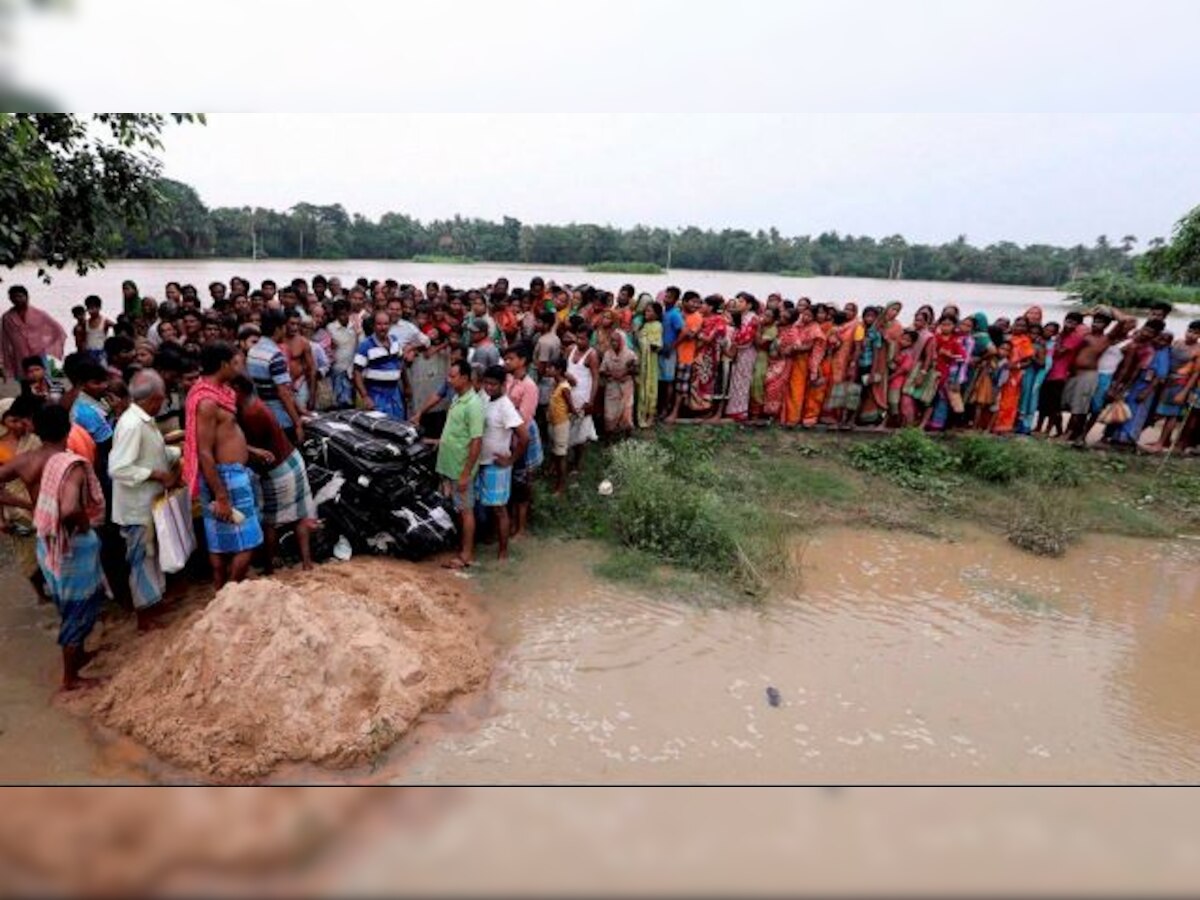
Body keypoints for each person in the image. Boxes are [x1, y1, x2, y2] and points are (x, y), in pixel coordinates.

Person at [31, 404, 106, 691]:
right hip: (71, 544)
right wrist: (85, 524)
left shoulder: (32, 460)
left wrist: (26, 507)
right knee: (80, 607)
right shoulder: (70, 465)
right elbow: (69, 508)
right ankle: (70, 679)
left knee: (68, 606)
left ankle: (79, 657)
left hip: (46, 542)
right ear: (69, 428)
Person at [184, 342, 263, 590]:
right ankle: (229, 590)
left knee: (220, 539)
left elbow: (224, 435)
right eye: (235, 363)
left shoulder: (217, 392)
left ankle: (221, 590)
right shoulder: (207, 402)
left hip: (227, 473)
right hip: (224, 477)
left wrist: (250, 450)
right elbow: (205, 451)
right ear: (223, 365)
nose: (238, 368)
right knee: (248, 540)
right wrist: (221, 495)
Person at [109, 369, 181, 631]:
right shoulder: (131, 425)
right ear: (155, 398)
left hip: (149, 504)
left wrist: (176, 454)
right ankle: (144, 616)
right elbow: (117, 468)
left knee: (152, 556)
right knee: (141, 560)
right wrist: (156, 474)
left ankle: (154, 602)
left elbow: (153, 452)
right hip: (135, 508)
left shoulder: (143, 420)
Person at [231, 375, 316, 572]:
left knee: (270, 521)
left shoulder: (251, 412)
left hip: (278, 469)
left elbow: (252, 449)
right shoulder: (253, 405)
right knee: (299, 516)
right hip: (291, 460)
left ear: (238, 389)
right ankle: (306, 563)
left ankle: (269, 567)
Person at [435, 359, 484, 570]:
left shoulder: (474, 404)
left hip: (460, 468)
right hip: (450, 465)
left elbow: (476, 441)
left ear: (465, 378)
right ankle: (461, 548)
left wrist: (465, 473)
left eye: (453, 376)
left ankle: (466, 556)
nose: (449, 379)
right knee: (459, 509)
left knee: (466, 511)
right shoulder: (457, 398)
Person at [1064, 307, 1137, 446]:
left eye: (1100, 322)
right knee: (1078, 406)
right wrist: (1087, 313)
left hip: (1097, 375)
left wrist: (1109, 309)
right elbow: (1073, 320)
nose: (1096, 324)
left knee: (1090, 408)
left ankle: (1081, 435)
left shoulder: (1108, 338)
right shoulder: (1085, 334)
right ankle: (1072, 433)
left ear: (1107, 325)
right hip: (1082, 374)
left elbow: (1126, 321)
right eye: (1095, 321)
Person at [477, 365, 528, 562]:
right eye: (486, 383)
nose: (488, 387)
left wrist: (511, 460)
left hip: (497, 465)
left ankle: (503, 553)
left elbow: (524, 438)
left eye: (493, 384)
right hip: (481, 461)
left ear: (503, 385)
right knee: (488, 506)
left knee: (499, 509)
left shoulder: (506, 406)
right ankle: (491, 539)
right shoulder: (484, 397)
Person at [246, 310, 306, 445]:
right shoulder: (275, 355)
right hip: (279, 418)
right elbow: (284, 392)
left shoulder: (253, 351)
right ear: (278, 328)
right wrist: (297, 423)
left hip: (260, 414)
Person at [503, 343, 542, 540]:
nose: (506, 362)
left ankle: (521, 528)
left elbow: (524, 419)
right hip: (508, 436)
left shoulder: (529, 386)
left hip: (521, 437)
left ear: (522, 361)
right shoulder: (509, 380)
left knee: (522, 483)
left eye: (511, 359)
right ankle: (510, 524)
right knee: (512, 482)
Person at [1148, 320, 1200, 452]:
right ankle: (1164, 441)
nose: (1191, 335)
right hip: (1167, 381)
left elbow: (1195, 374)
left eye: (1195, 333)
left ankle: (1160, 443)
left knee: (1172, 414)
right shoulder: (1177, 342)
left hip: (1180, 384)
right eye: (1190, 331)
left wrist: (1184, 392)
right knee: (1161, 411)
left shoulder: (1198, 350)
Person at [354, 310, 414, 420]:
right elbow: (357, 372)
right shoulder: (365, 345)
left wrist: (407, 385)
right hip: (376, 395)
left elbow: (401, 365)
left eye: (386, 324)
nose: (383, 327)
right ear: (374, 325)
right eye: (379, 324)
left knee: (398, 427)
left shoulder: (395, 341)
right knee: (380, 429)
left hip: (395, 393)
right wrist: (365, 396)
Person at [1, 285, 67, 381]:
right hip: (19, 356)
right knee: (24, 382)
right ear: (10, 299)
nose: (17, 299)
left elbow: (58, 330)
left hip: (38, 354)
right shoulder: (7, 317)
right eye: (13, 297)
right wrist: (3, 361)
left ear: (27, 297)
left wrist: (46, 345)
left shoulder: (39, 314)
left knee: (42, 381)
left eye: (20, 296)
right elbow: (4, 340)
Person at [566, 325, 600, 471]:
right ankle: (565, 459)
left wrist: (591, 401)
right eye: (577, 337)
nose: (579, 341)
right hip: (568, 395)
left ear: (589, 339)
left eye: (583, 339)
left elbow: (595, 379)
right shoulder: (570, 350)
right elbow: (563, 368)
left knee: (580, 432)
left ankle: (577, 463)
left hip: (583, 397)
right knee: (566, 428)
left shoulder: (592, 355)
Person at [600, 327, 638, 436]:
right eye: (611, 340)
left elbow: (636, 370)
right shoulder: (608, 354)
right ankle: (609, 437)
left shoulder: (630, 354)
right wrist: (612, 374)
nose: (613, 343)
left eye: (615, 340)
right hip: (612, 387)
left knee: (626, 413)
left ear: (622, 341)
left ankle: (627, 436)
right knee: (609, 414)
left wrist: (625, 373)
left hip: (626, 387)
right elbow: (602, 371)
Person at [545, 358, 574, 495]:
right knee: (555, 452)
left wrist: (575, 413)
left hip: (561, 423)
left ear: (559, 370)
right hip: (553, 422)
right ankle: (555, 474)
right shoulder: (554, 383)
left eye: (551, 368)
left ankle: (561, 486)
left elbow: (571, 407)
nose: (547, 370)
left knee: (561, 455)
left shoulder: (564, 388)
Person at [283, 310, 317, 413]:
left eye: (298, 324)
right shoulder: (279, 340)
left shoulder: (303, 342)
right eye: (292, 324)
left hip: (299, 383)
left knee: (302, 413)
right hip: (283, 384)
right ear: (285, 323)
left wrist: (312, 395)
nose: (295, 327)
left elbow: (312, 369)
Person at [327, 298, 360, 409]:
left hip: (352, 369)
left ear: (349, 312)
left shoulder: (356, 326)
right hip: (337, 369)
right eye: (340, 314)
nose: (343, 317)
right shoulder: (331, 328)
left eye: (345, 314)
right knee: (338, 401)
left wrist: (358, 332)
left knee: (351, 402)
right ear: (336, 314)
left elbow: (361, 345)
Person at [635, 301, 663, 427]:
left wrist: (642, 340)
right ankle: (640, 414)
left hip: (651, 361)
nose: (646, 313)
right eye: (645, 311)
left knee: (651, 386)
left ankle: (650, 415)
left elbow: (656, 345)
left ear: (657, 314)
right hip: (642, 361)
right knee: (641, 386)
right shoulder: (644, 325)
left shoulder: (657, 325)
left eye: (649, 311)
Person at [658, 287, 684, 419]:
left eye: (669, 297)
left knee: (668, 382)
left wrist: (672, 347)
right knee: (661, 381)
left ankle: (666, 410)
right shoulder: (664, 313)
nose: (666, 299)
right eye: (665, 296)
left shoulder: (675, 314)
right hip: (661, 351)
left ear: (675, 300)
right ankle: (660, 408)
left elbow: (682, 332)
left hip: (669, 352)